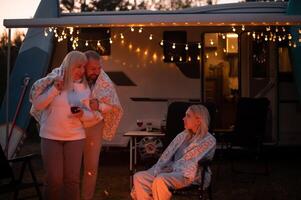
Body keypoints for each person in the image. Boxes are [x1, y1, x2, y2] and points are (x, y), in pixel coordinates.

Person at [29, 51, 101, 200]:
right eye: (78, 67)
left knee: (72, 180)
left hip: (75, 137)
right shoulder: (53, 81)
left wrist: (83, 114)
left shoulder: (85, 88)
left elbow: (91, 116)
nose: (82, 71)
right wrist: (55, 90)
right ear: (69, 66)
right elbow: (38, 104)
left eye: (83, 67)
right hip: (51, 136)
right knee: (54, 179)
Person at [131, 105, 216, 200]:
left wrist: (171, 168)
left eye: (188, 116)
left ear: (198, 120)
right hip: (170, 170)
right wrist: (164, 167)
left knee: (160, 180)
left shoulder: (208, 140)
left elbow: (192, 161)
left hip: (189, 175)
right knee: (139, 177)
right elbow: (168, 154)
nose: (183, 118)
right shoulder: (182, 136)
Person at [81, 50, 123, 200]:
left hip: (94, 125)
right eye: (93, 69)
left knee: (91, 166)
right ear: (83, 66)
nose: (97, 72)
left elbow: (113, 105)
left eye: (99, 68)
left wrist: (98, 105)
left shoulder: (103, 79)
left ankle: (87, 197)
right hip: (74, 126)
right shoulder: (73, 77)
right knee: (70, 166)